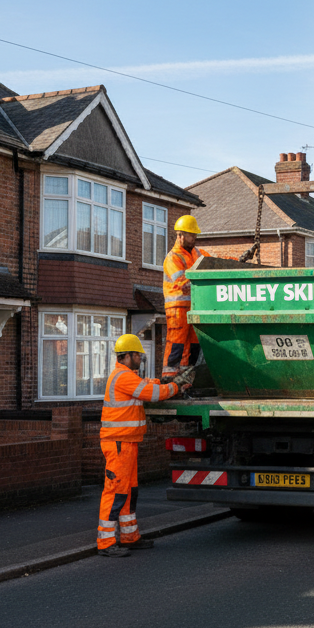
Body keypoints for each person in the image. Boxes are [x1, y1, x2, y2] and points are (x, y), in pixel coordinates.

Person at [98, 334, 193, 557]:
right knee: (115, 492)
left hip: (126, 443)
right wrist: (176, 387)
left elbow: (149, 384)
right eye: (138, 355)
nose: (141, 358)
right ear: (128, 356)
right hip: (119, 443)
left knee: (128, 491)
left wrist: (168, 381)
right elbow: (153, 393)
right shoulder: (123, 377)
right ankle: (106, 543)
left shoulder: (127, 376)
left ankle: (130, 537)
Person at [162, 214, 211, 377]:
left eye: (195, 235)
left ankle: (185, 383)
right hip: (177, 309)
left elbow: (215, 263)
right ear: (180, 235)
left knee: (194, 346)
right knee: (177, 343)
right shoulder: (173, 257)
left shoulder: (197, 254)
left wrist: (237, 261)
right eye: (191, 235)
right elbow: (184, 284)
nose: (194, 239)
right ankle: (169, 379)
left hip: (193, 308)